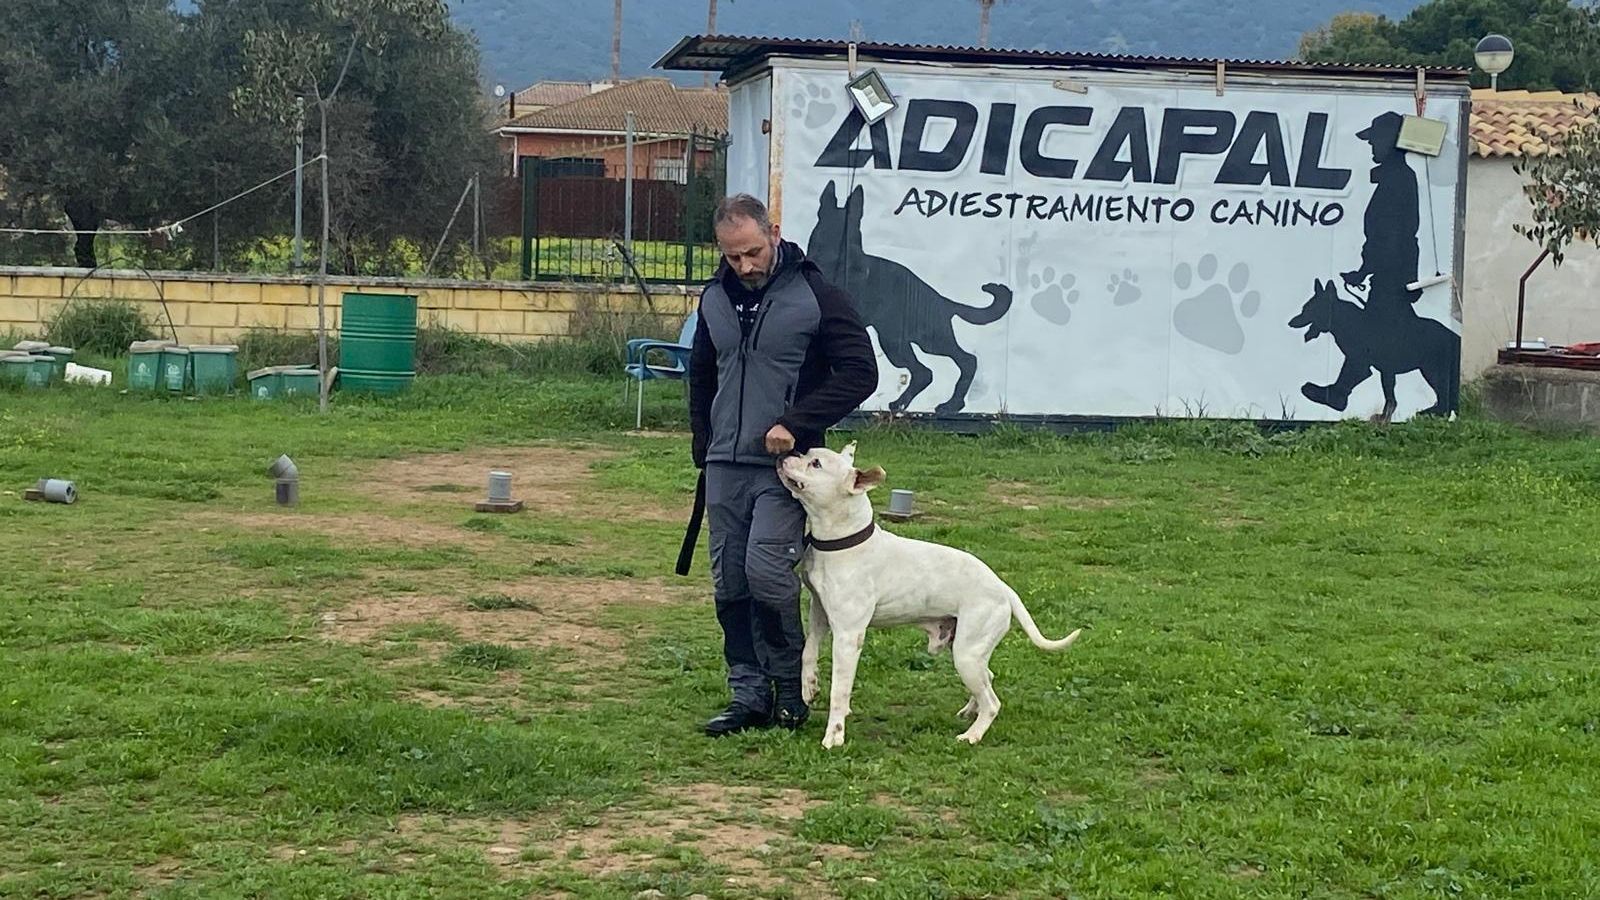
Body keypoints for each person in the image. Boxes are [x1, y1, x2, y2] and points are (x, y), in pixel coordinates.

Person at [686, 193, 877, 737]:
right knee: (729, 580)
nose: (744, 266)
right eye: (732, 257)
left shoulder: (817, 294)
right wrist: (704, 444)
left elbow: (860, 371)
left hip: (786, 469)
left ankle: (790, 692)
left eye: (752, 252)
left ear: (773, 233)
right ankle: (747, 695)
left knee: (767, 572)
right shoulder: (714, 297)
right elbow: (703, 373)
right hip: (724, 464)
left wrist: (796, 421)